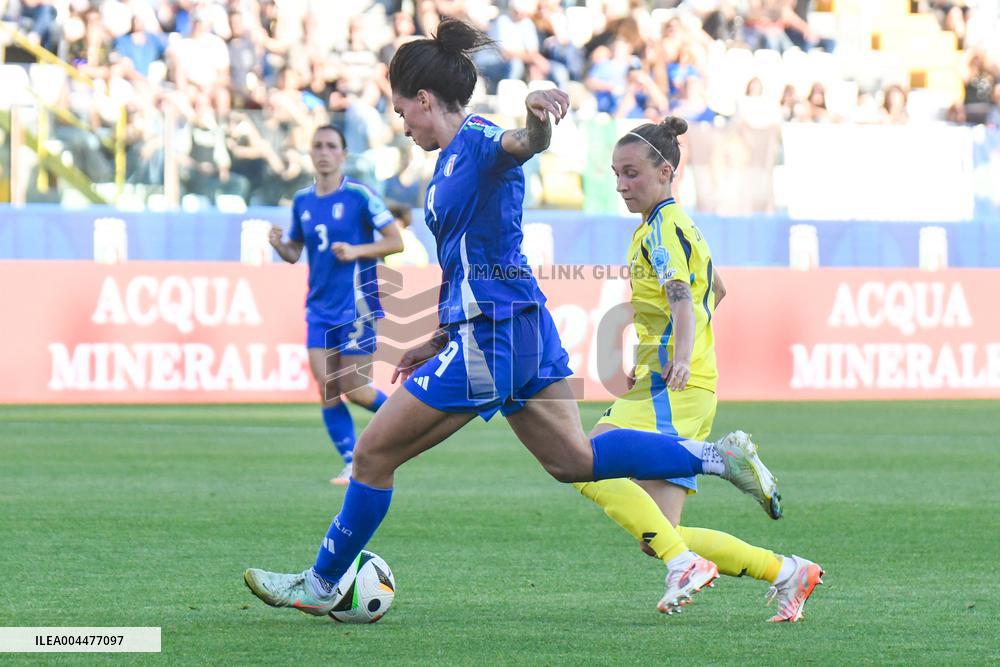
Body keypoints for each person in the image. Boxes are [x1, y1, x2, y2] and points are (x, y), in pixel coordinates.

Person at [244, 19, 781, 617]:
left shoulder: (476, 140)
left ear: (425, 101)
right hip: (514, 330)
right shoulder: (449, 164)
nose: (403, 123)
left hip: (494, 340)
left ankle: (320, 585)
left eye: (402, 111)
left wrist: (535, 115)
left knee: (372, 454)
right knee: (574, 460)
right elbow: (467, 263)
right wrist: (437, 335)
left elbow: (524, 144)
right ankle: (717, 458)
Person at [575, 117, 823, 621]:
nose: (622, 185)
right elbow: (717, 290)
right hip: (682, 384)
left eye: (632, 174)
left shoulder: (662, 229)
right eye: (616, 175)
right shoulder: (682, 226)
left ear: (665, 171)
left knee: (583, 460)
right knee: (660, 534)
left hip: (673, 384)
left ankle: (719, 461)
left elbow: (683, 296)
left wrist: (680, 356)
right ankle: (787, 572)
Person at [269, 125, 404, 484]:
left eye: (331, 146)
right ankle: (351, 461)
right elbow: (295, 253)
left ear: (343, 155)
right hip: (319, 306)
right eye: (318, 146)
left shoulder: (360, 196)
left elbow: (395, 241)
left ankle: (410, 419)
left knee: (356, 390)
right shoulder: (302, 201)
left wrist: (358, 250)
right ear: (310, 153)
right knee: (327, 385)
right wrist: (280, 244)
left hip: (358, 303)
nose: (324, 152)